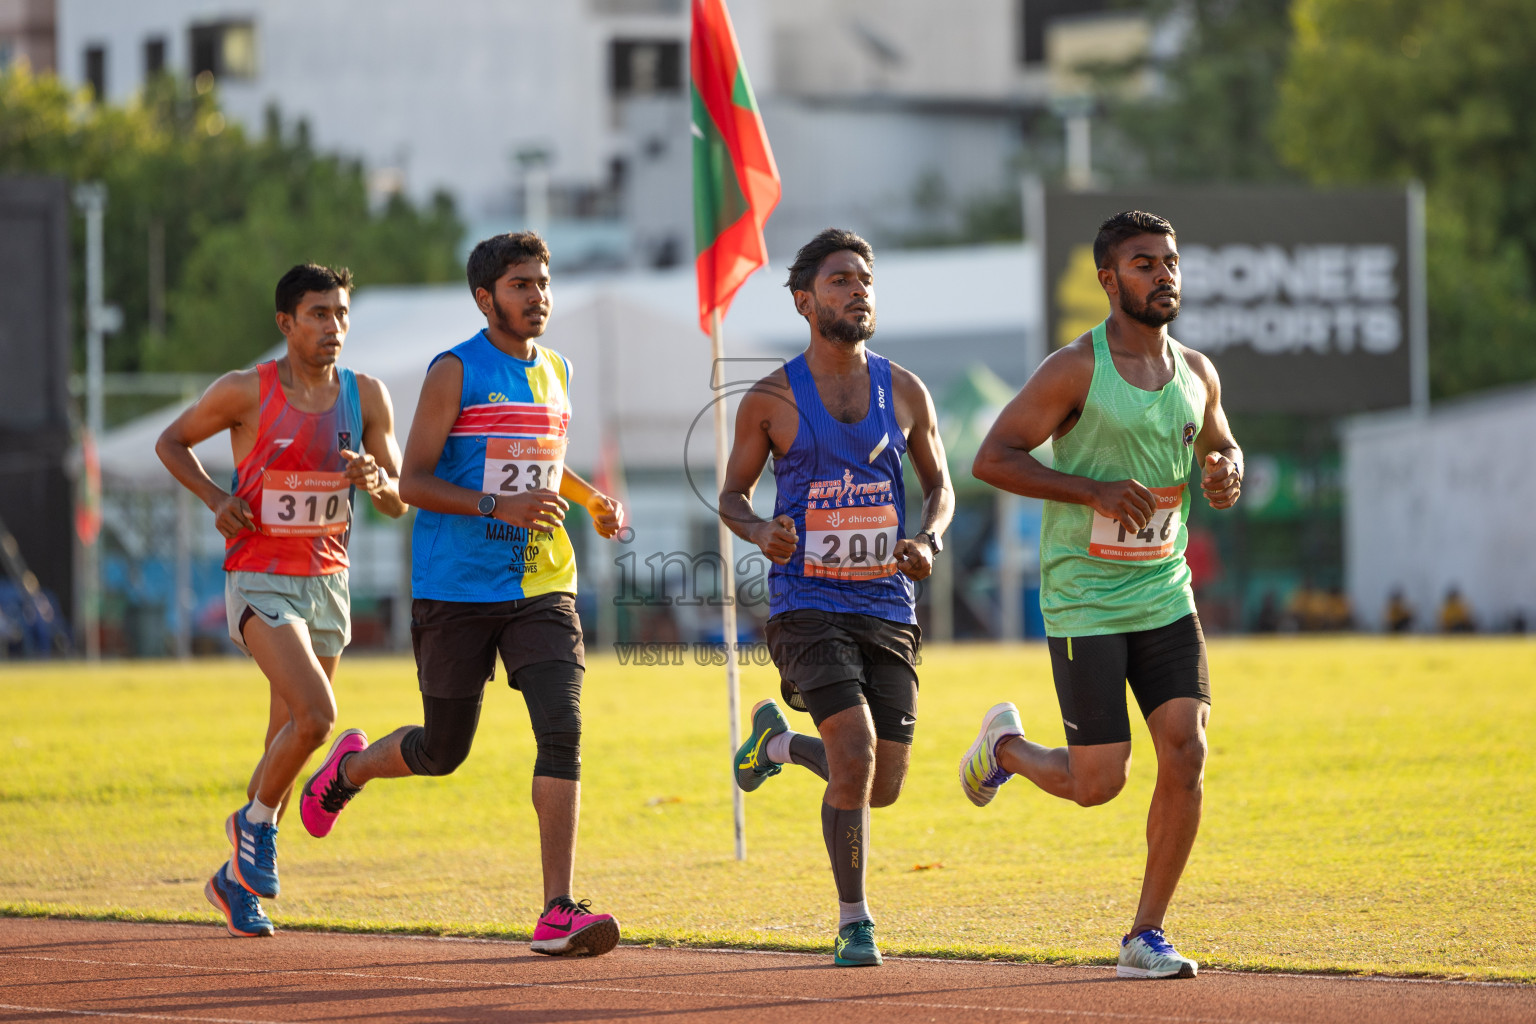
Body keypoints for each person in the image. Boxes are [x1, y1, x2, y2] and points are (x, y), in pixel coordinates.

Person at [297, 232, 625, 957]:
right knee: (445, 750)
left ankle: (557, 910)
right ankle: (349, 769)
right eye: (520, 286)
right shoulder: (455, 370)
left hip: (543, 581)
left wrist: (592, 498)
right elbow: (411, 482)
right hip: (457, 589)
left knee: (562, 730)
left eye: (542, 282)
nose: (537, 296)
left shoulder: (559, 370)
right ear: (485, 298)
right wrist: (491, 507)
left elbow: (544, 464)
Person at [960, 210, 1242, 980]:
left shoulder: (1197, 371)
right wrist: (1091, 491)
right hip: (1085, 596)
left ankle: (1144, 935)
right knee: (1099, 782)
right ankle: (1006, 750)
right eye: (1144, 264)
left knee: (1186, 751)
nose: (1164, 275)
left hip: (1165, 591)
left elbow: (1218, 441)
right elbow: (994, 457)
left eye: (1171, 262)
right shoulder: (1074, 370)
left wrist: (1227, 468)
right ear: (1108, 280)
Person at [719, 228, 954, 967]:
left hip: (887, 604)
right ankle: (855, 921)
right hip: (806, 600)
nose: (857, 291)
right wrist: (760, 530)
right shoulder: (771, 397)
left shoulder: (906, 390)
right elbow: (730, 495)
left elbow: (940, 487)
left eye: (864, 280)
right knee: (853, 755)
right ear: (804, 300)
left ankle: (777, 745)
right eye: (840, 280)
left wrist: (930, 539)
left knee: (881, 783)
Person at [156, 263, 407, 937]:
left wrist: (377, 477)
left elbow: (394, 499)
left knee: (287, 741)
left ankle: (232, 883)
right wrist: (216, 498)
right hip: (260, 577)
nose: (334, 327)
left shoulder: (367, 397)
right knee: (318, 717)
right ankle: (254, 825)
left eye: (342, 314)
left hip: (328, 582)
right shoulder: (246, 391)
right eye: (319, 314)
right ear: (285, 323)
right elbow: (171, 441)